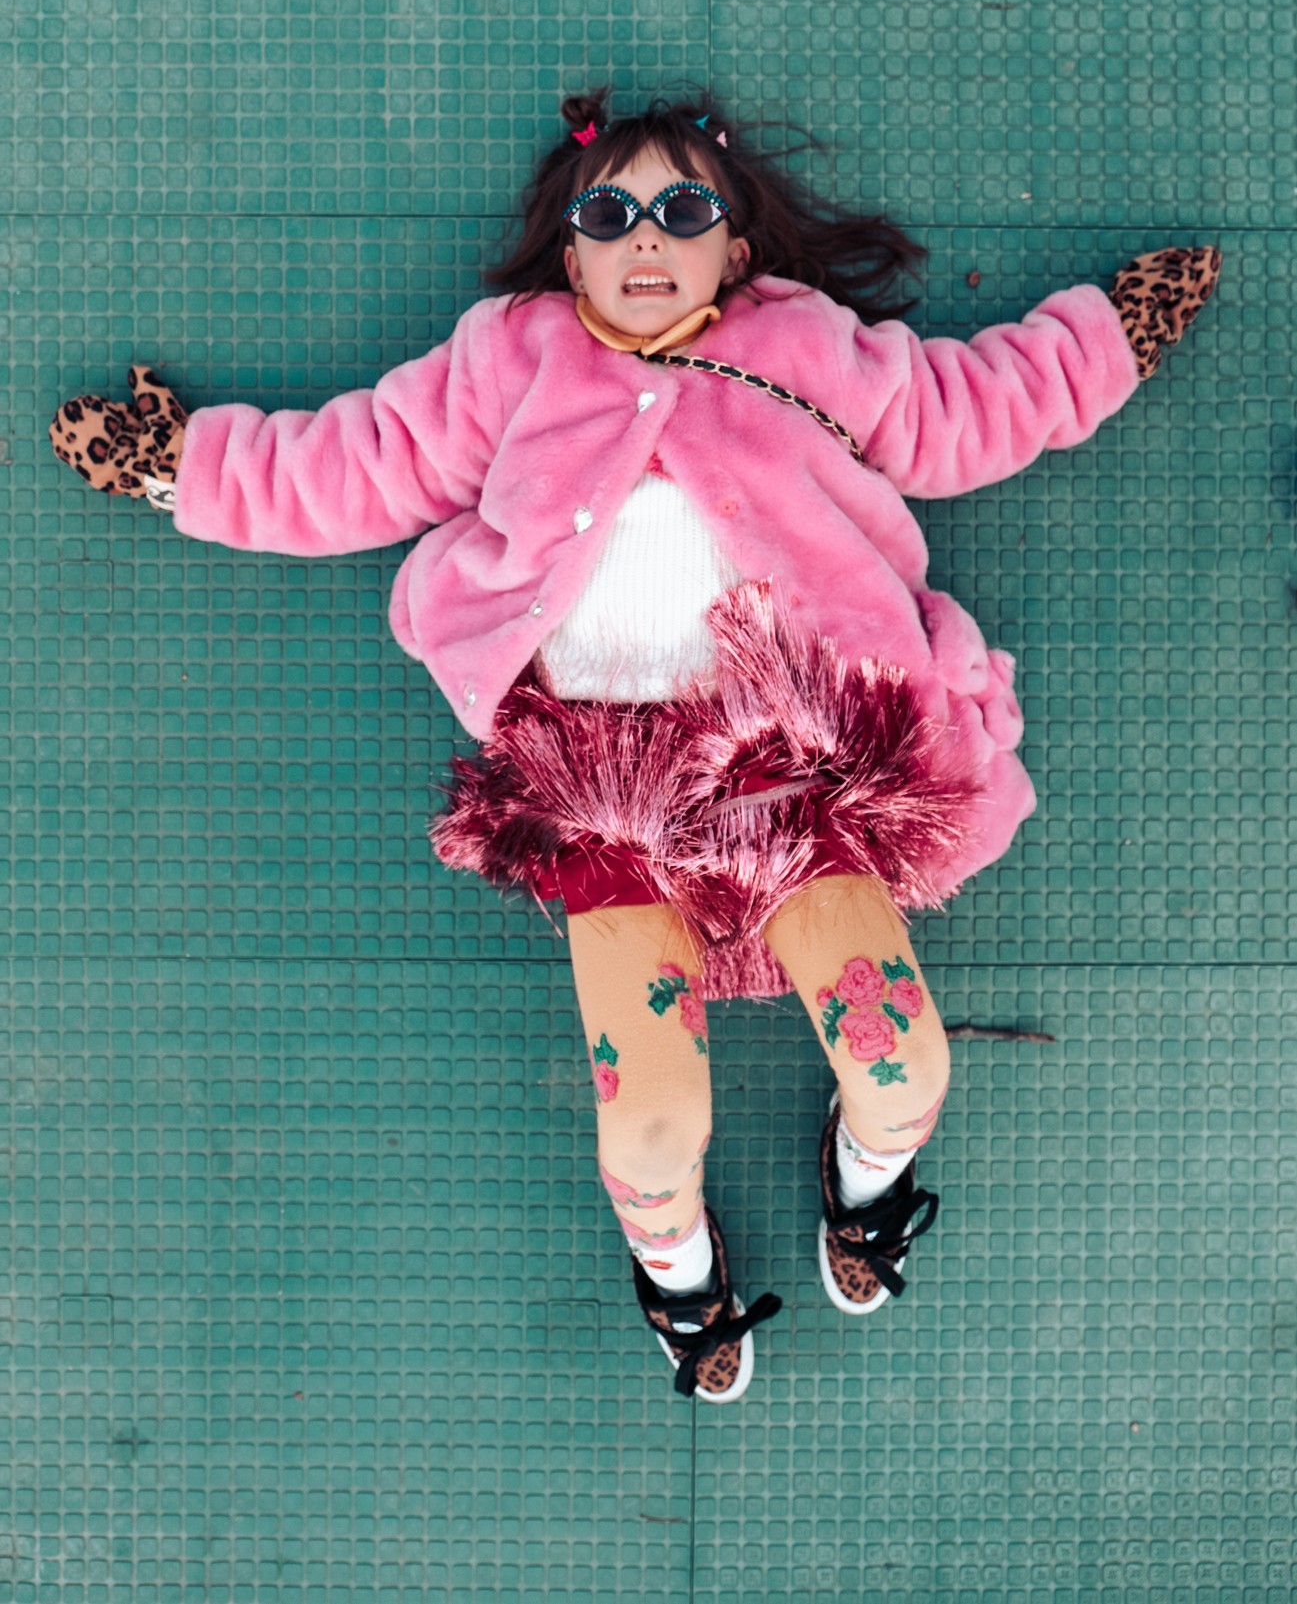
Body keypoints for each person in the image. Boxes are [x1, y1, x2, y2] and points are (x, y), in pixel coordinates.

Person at [49, 89, 1221, 1405]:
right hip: (604, 785)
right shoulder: (512, 361)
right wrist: (182, 467)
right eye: (608, 214)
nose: (645, 237)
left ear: (733, 246)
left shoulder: (802, 346)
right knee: (649, 1113)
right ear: (569, 251)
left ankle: (867, 1173)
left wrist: (1107, 337)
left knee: (902, 1061)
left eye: (683, 209)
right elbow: (355, 463)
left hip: (792, 760)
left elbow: (965, 407)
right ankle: (676, 1272)